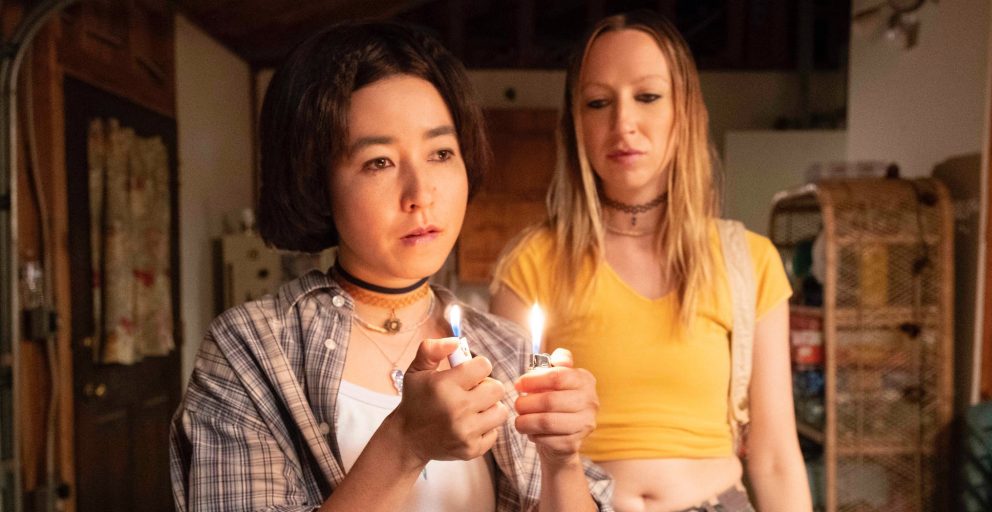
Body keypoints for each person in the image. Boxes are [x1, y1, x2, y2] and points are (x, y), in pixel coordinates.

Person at [170, 21, 613, 512]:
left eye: (441, 153)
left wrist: (561, 462)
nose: (421, 194)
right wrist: (404, 443)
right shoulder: (253, 349)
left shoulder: (505, 349)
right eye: (379, 161)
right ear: (317, 181)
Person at [490, 10, 811, 512]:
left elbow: (774, 459)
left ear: (686, 112)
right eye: (598, 103)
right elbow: (513, 457)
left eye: (648, 96)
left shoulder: (750, 262)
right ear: (576, 124)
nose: (623, 123)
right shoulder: (531, 263)